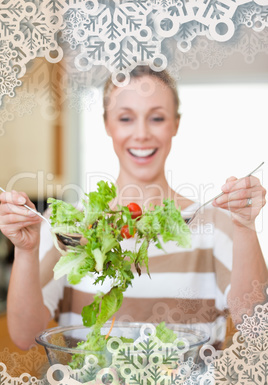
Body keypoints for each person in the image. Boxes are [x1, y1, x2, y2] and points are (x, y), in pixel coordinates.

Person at [0, 66, 267, 351]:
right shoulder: (68, 225)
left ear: (175, 124)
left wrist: (245, 227)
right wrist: (26, 250)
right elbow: (25, 336)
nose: (141, 134)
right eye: (126, 118)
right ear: (107, 124)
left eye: (157, 118)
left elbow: (256, 326)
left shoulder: (216, 223)